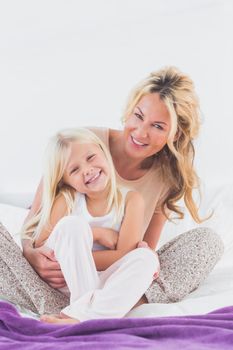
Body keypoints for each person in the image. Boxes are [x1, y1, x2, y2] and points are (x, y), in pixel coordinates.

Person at [0, 66, 224, 315]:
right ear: (128, 112)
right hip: (53, 280)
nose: (141, 132)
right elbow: (36, 225)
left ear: (176, 133)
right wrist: (33, 256)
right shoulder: (83, 143)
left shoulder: (165, 179)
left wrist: (81, 257)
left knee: (204, 243)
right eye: (138, 116)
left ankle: (91, 308)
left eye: (158, 126)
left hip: (109, 279)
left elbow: (139, 252)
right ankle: (95, 309)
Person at [20, 127, 159, 323]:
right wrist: (96, 234)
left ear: (104, 152)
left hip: (104, 283)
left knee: (146, 258)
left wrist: (77, 256)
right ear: (66, 181)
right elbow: (43, 247)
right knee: (72, 226)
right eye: (74, 170)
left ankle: (79, 316)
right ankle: (88, 312)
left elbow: (125, 255)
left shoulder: (131, 200)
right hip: (66, 280)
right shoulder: (67, 199)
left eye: (91, 157)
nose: (87, 170)